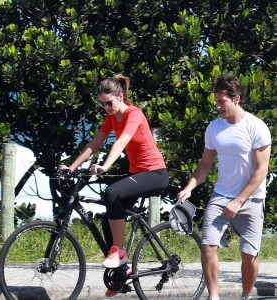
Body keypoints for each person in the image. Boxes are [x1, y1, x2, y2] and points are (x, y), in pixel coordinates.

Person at [61, 74, 169, 297]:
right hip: (137, 173)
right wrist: (71, 167)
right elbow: (95, 143)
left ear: (120, 96)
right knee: (110, 211)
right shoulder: (112, 118)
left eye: (109, 103)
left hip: (156, 174)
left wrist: (105, 166)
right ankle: (122, 272)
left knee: (113, 191)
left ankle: (118, 252)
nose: (106, 108)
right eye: (102, 104)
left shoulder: (134, 114)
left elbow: (121, 142)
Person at [177, 75, 271, 300]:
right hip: (221, 196)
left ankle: (246, 296)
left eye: (222, 102)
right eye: (216, 102)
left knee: (249, 255)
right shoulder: (214, 128)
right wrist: (190, 186)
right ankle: (214, 297)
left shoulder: (256, 126)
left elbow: (261, 171)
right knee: (208, 245)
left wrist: (239, 201)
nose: (218, 107)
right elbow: (205, 164)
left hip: (251, 199)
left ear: (236, 99)